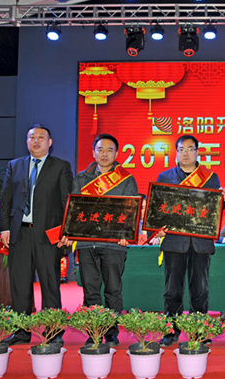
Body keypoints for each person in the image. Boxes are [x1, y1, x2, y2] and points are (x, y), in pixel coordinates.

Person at [0, 124, 73, 345]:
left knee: (50, 284)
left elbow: (67, 201)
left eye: (41, 137)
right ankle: (21, 331)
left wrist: (66, 231)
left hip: (48, 235)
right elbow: (6, 198)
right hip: (20, 233)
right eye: (32, 137)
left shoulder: (60, 166)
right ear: (27, 141)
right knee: (20, 284)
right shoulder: (15, 165)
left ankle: (53, 331)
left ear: (50, 142)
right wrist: (4, 228)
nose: (36, 140)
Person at [153, 135, 225, 347]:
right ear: (176, 152)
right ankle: (171, 330)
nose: (185, 153)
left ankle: (198, 331)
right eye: (181, 149)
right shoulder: (165, 177)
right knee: (172, 290)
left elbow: (213, 211)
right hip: (174, 242)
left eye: (190, 149)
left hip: (201, 242)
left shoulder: (210, 178)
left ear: (197, 152)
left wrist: (222, 200)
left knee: (200, 290)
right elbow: (158, 209)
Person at [72, 133, 138, 346]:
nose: (104, 154)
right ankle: (94, 331)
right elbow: (74, 210)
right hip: (86, 243)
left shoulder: (126, 179)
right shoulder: (81, 179)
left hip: (114, 244)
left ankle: (111, 332)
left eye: (109, 150)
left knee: (113, 289)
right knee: (90, 290)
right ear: (93, 152)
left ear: (116, 154)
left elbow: (131, 211)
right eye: (100, 149)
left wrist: (127, 235)